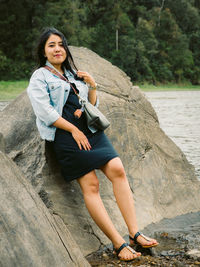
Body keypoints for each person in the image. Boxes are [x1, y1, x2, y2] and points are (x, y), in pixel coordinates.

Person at [27, 27, 158, 262]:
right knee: (92, 185)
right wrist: (73, 130)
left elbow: (90, 106)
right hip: (66, 136)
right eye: (51, 45)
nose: (57, 49)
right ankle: (118, 244)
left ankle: (134, 233)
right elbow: (44, 112)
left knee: (118, 169)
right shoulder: (40, 77)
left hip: (91, 131)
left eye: (60, 44)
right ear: (43, 52)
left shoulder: (73, 72)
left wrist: (93, 85)